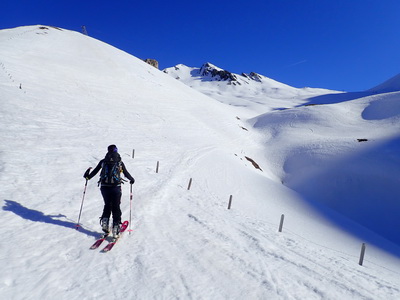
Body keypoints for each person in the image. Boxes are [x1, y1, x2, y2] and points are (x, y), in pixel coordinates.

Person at [83, 145, 135, 237]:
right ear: (116, 151)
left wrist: (87, 176)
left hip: (104, 187)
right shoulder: (119, 162)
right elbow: (126, 173)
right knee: (116, 206)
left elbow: (94, 172)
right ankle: (115, 228)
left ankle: (105, 223)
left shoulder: (103, 161)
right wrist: (132, 179)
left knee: (107, 205)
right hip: (116, 187)